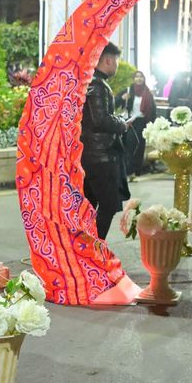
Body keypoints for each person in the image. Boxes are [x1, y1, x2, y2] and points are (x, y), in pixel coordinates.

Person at [82, 43, 138, 239]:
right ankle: (95, 247)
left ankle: (87, 246)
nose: (117, 64)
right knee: (108, 204)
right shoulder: (98, 85)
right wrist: (122, 123)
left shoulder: (90, 82)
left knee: (90, 205)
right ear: (107, 60)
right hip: (101, 157)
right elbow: (101, 120)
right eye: (116, 60)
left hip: (90, 155)